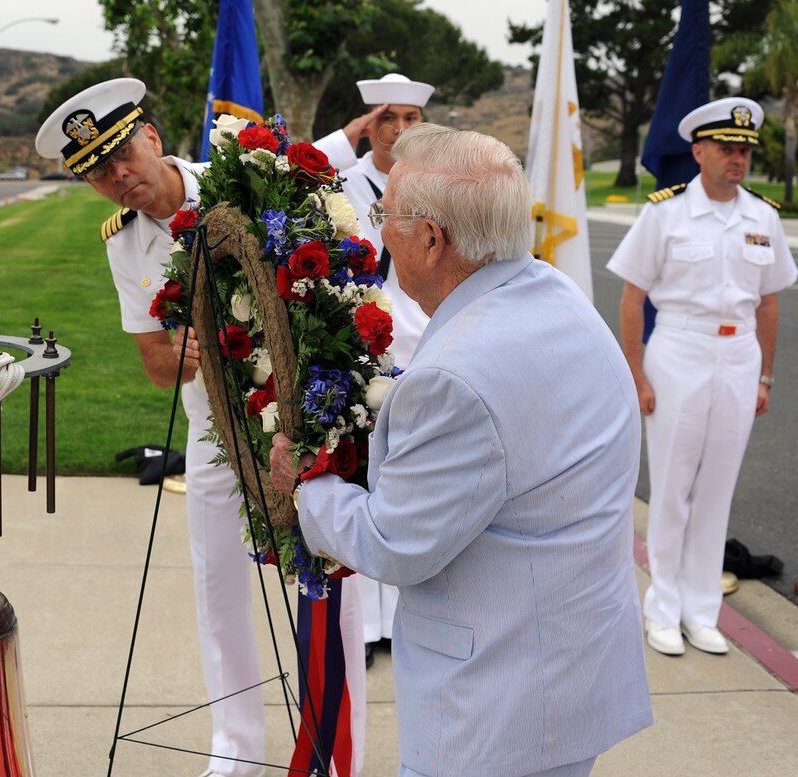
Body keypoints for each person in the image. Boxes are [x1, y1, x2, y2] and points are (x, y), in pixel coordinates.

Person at [269, 123, 652, 777]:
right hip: (570, 672)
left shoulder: (453, 373)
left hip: (495, 706)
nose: (377, 231)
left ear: (431, 238)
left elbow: (395, 543)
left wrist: (305, 485)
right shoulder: (561, 298)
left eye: (386, 216)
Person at [35, 78, 366, 777]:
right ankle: (237, 745)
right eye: (97, 170)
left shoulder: (246, 179)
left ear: (152, 137)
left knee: (329, 587)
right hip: (214, 435)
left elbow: (330, 281)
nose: (117, 175)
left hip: (305, 421)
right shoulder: (124, 246)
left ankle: (340, 750)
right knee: (217, 584)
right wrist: (179, 352)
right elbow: (156, 362)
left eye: (121, 152)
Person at [607, 97, 798, 657]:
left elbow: (768, 304)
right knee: (672, 490)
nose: (737, 158)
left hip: (738, 357)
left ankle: (701, 610)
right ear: (698, 151)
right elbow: (632, 296)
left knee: (717, 491)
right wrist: (636, 373)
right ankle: (663, 608)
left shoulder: (763, 218)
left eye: (744, 150)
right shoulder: (665, 213)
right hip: (679, 352)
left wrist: (765, 377)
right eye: (726, 148)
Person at [316, 73, 435, 667]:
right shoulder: (343, 181)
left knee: (410, 488)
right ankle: (362, 626)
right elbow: (298, 170)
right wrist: (349, 137)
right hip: (365, 356)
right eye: (391, 118)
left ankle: (401, 621)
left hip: (430, 350)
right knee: (361, 481)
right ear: (370, 124)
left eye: (414, 119)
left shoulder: (436, 189)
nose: (403, 129)